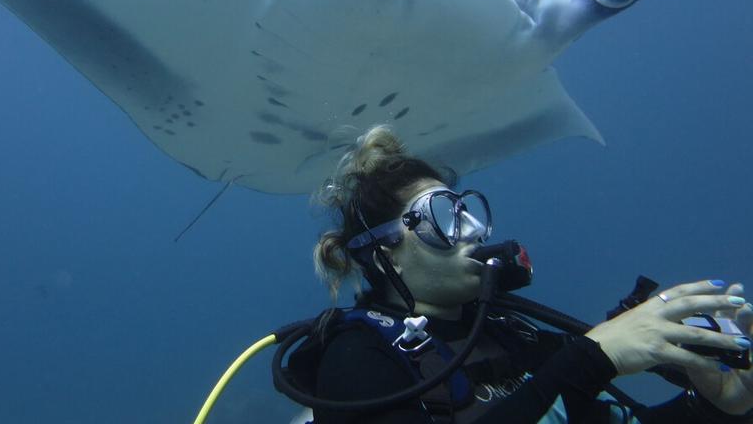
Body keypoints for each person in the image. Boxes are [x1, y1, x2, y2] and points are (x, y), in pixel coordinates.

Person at [291, 125, 753, 423]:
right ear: (385, 253)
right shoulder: (357, 359)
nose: (470, 230)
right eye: (443, 217)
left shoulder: (515, 335)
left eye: (466, 210)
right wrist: (592, 359)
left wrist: (716, 407)